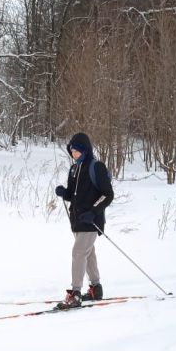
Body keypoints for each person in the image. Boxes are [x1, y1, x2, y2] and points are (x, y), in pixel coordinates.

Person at [54, 132, 114, 309]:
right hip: (77, 220)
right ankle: (96, 288)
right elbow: (74, 195)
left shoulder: (96, 167)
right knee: (88, 254)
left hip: (91, 220)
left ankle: (75, 293)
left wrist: (93, 211)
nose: (74, 154)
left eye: (77, 151)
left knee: (79, 253)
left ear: (85, 150)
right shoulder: (74, 169)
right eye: (72, 151)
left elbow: (108, 195)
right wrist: (64, 193)